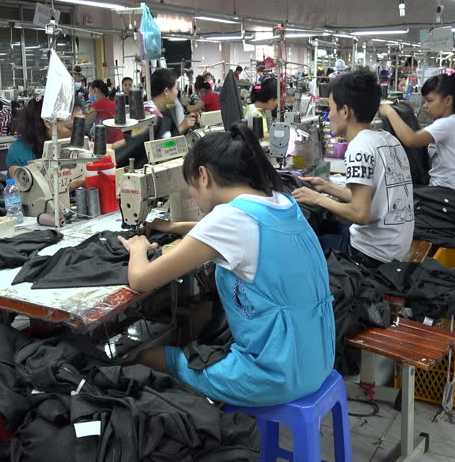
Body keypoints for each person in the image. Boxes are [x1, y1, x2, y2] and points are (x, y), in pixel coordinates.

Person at [118, 123, 335, 407]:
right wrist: (174, 225)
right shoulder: (281, 202)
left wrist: (137, 248)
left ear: (204, 176)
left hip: (275, 375)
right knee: (203, 323)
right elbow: (235, 231)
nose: (193, 195)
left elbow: (141, 280)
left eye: (191, 186)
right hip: (317, 356)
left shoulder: (228, 221)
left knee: (145, 357)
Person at [292, 68, 415, 268]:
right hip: (393, 247)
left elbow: (360, 214)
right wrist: (327, 187)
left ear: (346, 111)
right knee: (327, 226)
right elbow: (373, 199)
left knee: (302, 248)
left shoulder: (359, 147)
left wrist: (317, 198)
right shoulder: (386, 139)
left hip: (370, 255)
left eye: (331, 108)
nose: (329, 115)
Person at [379, 69, 455, 195]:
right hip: (454, 190)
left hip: (447, 194)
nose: (425, 105)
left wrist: (389, 111)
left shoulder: (448, 124)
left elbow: (411, 139)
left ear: (447, 101)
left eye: (429, 101)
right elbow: (421, 136)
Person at [113, 69, 198, 168]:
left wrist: (185, 125)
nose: (177, 92)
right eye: (175, 88)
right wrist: (181, 127)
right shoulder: (149, 114)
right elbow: (145, 144)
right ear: (166, 91)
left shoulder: (164, 111)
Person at [6, 96, 84, 176]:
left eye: (80, 127)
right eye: (69, 127)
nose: (76, 133)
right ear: (48, 122)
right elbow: (29, 186)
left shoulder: (80, 146)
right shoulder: (19, 150)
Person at [84, 80, 123, 145]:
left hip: (107, 143)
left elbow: (85, 124)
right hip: (120, 140)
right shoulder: (114, 103)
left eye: (90, 92)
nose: (89, 95)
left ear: (95, 90)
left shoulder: (95, 106)